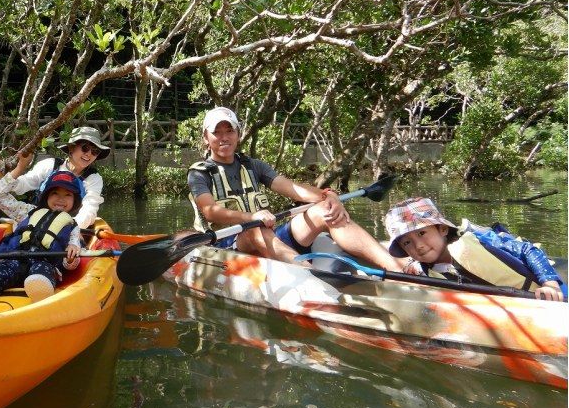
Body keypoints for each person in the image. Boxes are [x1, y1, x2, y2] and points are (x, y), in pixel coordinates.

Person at [187, 107, 405, 271]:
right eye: (217, 132)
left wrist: (328, 196)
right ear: (207, 138)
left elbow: (293, 189)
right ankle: (310, 277)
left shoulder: (253, 166)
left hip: (266, 236)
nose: (224, 137)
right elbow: (210, 211)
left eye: (229, 130)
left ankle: (396, 269)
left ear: (238, 134)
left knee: (324, 211)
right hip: (227, 247)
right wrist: (251, 216)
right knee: (254, 229)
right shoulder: (199, 173)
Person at [385, 197, 565, 301]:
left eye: (422, 233)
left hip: (549, 294)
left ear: (442, 229)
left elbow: (527, 249)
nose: (419, 245)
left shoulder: (478, 240)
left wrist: (549, 284)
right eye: (407, 243)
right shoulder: (424, 271)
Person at [0, 171, 86, 305]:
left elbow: (72, 259)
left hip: (45, 262)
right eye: (55, 193)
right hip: (16, 258)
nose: (60, 199)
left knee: (42, 271)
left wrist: (71, 257)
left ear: (75, 201)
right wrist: (19, 168)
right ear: (46, 196)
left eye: (67, 194)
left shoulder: (73, 226)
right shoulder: (27, 211)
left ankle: (41, 290)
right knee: (4, 270)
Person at [0, 126, 109, 228]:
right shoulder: (49, 165)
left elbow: (89, 208)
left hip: (70, 224)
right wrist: (20, 167)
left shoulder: (94, 178)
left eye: (95, 151)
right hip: (37, 219)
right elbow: (18, 186)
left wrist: (68, 228)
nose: (89, 154)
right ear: (72, 148)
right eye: (85, 148)